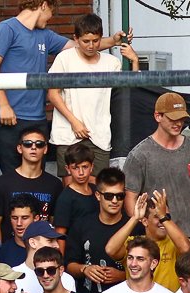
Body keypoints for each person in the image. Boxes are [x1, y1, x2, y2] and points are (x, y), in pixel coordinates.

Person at [0, 0, 126, 173]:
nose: (50, 18)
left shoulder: (45, 35)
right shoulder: (6, 28)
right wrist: (3, 105)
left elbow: (81, 46)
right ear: (44, 5)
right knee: (12, 174)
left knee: (37, 174)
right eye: (51, 12)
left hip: (36, 116)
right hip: (7, 115)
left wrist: (113, 40)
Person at [47, 13, 135, 178]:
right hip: (67, 134)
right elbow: (53, 94)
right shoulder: (64, 58)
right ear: (76, 38)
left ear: (101, 38)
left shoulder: (111, 62)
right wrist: (74, 122)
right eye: (85, 41)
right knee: (71, 189)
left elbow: (130, 90)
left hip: (99, 135)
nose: (91, 46)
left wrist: (134, 60)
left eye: (95, 41)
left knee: (97, 193)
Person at [122, 92, 190, 250]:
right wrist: (143, 226)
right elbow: (131, 198)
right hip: (157, 240)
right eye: (173, 119)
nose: (178, 123)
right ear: (158, 116)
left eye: (182, 119)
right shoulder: (139, 155)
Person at [65, 167, 131, 293]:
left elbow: (150, 268)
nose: (114, 201)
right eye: (108, 196)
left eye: (119, 196)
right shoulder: (81, 225)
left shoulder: (134, 227)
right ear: (98, 196)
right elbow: (69, 265)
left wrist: (123, 275)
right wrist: (85, 269)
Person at [0, 127, 64, 230]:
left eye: (39, 144)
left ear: (45, 149)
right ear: (20, 148)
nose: (33, 147)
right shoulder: (3, 182)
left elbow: (54, 222)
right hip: (10, 244)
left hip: (42, 244)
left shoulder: (55, 184)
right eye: (28, 144)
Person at [14, 220, 75, 293]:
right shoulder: (13, 276)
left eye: (56, 241)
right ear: (33, 243)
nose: (57, 245)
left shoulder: (67, 279)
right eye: (50, 241)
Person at [51, 145, 98, 235]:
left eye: (85, 167)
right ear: (68, 169)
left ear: (92, 167)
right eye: (75, 168)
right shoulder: (65, 198)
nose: (81, 172)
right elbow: (60, 234)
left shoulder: (96, 191)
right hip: (74, 247)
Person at [0, 193, 40, 268]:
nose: (19, 223)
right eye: (14, 218)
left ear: (36, 218)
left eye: (24, 218)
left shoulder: (45, 249)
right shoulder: (3, 252)